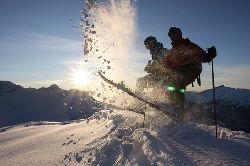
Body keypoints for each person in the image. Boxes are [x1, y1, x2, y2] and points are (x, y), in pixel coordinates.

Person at [140, 27, 216, 121]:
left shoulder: (187, 44)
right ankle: (173, 107)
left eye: (174, 34)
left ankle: (178, 110)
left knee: (176, 83)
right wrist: (154, 70)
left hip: (192, 68)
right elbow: (165, 66)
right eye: (170, 35)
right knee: (170, 84)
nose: (172, 37)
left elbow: (199, 53)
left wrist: (208, 56)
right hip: (179, 71)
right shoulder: (172, 51)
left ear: (179, 34)